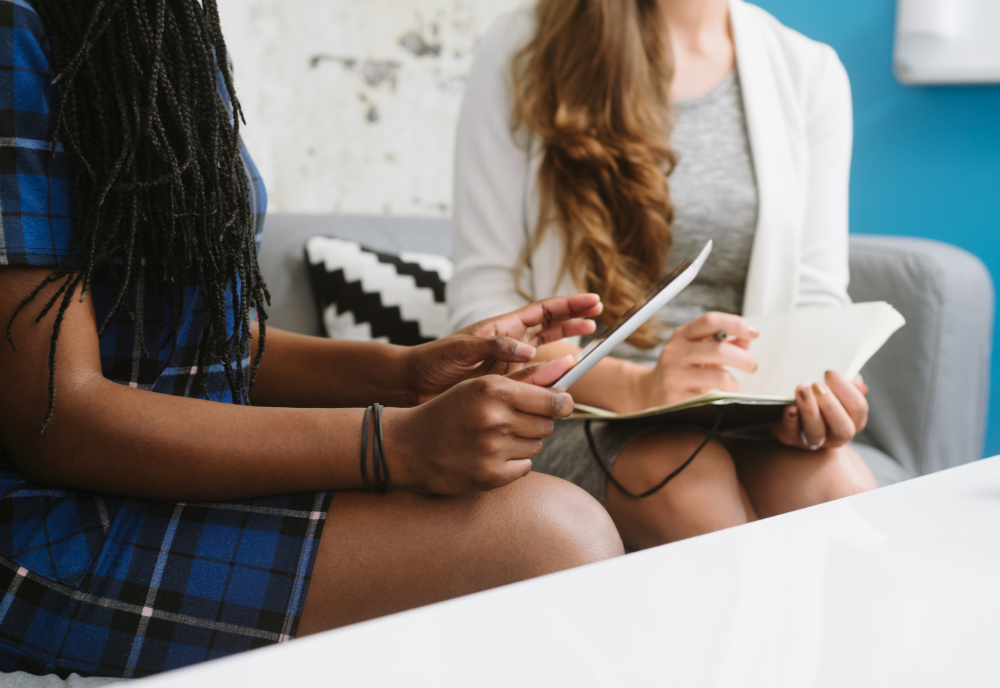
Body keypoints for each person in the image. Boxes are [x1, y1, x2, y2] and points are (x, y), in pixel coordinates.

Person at [0, 0, 623, 678]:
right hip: (52, 527)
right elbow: (56, 416)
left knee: (554, 532)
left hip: (175, 480)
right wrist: (396, 445)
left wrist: (406, 374)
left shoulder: (165, 25)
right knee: (554, 539)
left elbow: (202, 347)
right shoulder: (21, 25)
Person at [448, 0, 879, 550]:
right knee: (687, 480)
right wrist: (641, 386)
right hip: (577, 410)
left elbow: (815, 298)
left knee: (834, 489)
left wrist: (813, 392)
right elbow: (482, 315)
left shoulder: (809, 70)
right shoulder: (525, 46)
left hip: (740, 410)